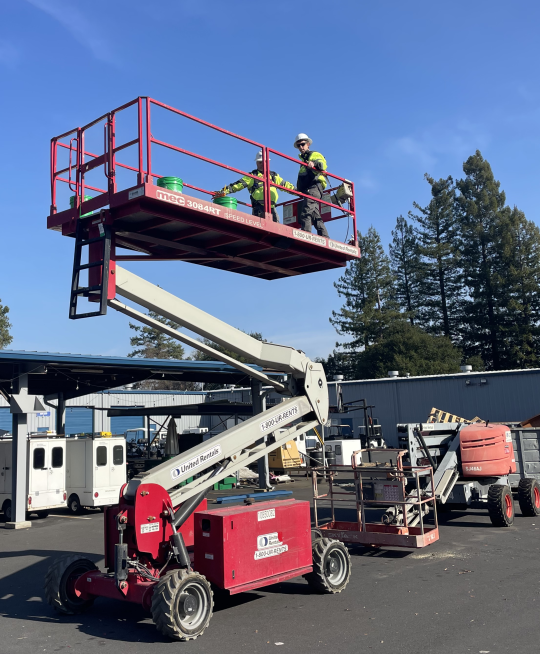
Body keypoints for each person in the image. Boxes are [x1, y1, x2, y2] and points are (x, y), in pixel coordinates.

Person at [213, 151, 295, 222]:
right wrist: (223, 191)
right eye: (260, 162)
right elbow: (237, 185)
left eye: (264, 162)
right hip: (258, 209)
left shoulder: (274, 176)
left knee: (276, 233)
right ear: (256, 163)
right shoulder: (252, 176)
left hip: (272, 209)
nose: (262, 164)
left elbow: (286, 186)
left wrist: (299, 192)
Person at [293, 133, 329, 237]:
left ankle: (306, 236)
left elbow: (322, 164)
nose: (301, 147)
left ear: (308, 144)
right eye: (299, 145)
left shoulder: (314, 155)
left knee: (305, 213)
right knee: (315, 215)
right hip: (308, 189)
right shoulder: (303, 161)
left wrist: (314, 164)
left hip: (314, 187)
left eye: (303, 144)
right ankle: (325, 237)